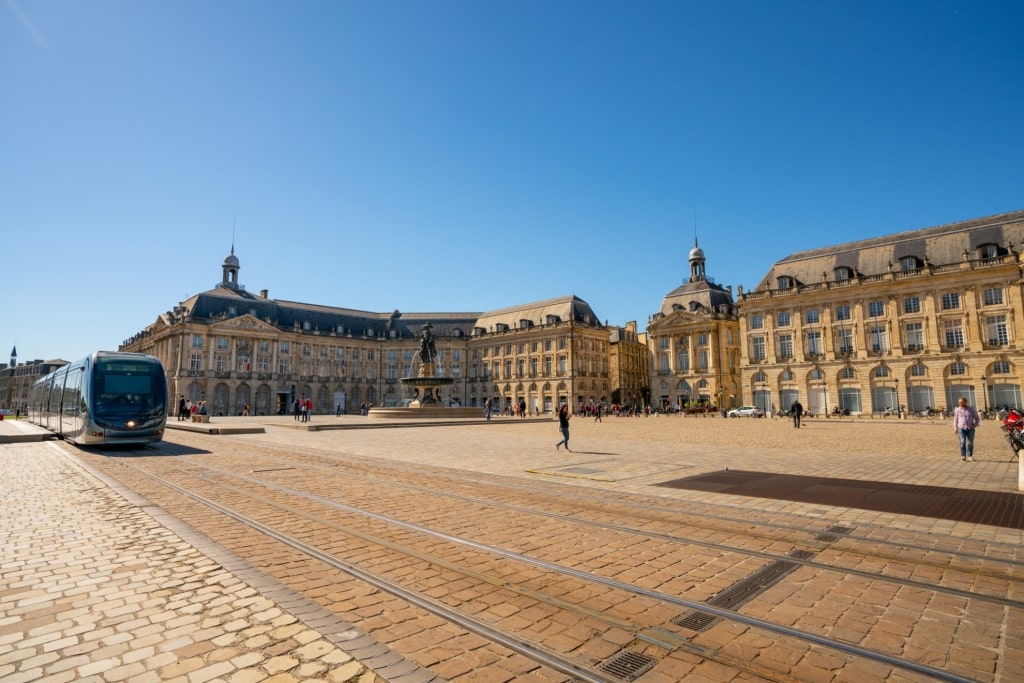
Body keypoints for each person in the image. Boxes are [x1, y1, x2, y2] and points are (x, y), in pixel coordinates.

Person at [952, 396, 980, 461]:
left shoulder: (971, 409)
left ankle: (970, 456)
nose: (960, 403)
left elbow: (977, 418)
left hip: (970, 428)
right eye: (959, 402)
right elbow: (955, 419)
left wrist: (975, 424)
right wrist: (955, 427)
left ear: (965, 402)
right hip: (961, 428)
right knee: (962, 441)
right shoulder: (957, 410)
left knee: (970, 442)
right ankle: (963, 455)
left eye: (962, 402)